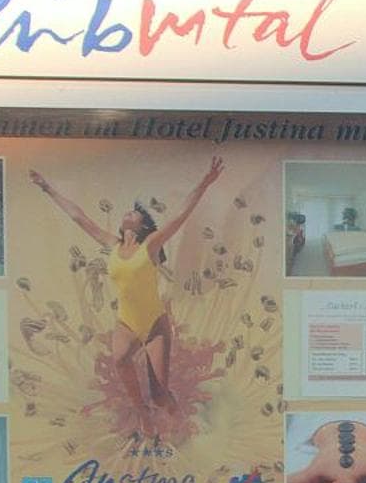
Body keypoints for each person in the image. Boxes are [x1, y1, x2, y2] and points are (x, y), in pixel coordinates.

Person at [29, 158, 223, 414]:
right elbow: (78, 217)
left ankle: (173, 410)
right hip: (126, 322)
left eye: (135, 213)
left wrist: (204, 183)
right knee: (120, 359)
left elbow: (179, 216)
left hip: (154, 324)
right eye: (128, 212)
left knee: (160, 397)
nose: (128, 213)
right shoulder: (112, 245)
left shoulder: (150, 245)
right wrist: (47, 188)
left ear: (143, 226)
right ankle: (142, 413)